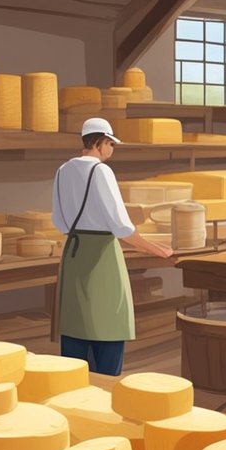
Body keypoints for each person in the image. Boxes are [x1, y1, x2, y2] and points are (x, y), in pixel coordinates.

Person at [52, 118, 173, 375]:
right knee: (107, 324)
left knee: (77, 326)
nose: (111, 149)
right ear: (99, 142)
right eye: (110, 143)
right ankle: (105, 389)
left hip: (73, 252)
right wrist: (154, 248)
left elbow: (58, 221)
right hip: (102, 255)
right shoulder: (101, 172)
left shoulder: (62, 170)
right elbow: (121, 226)